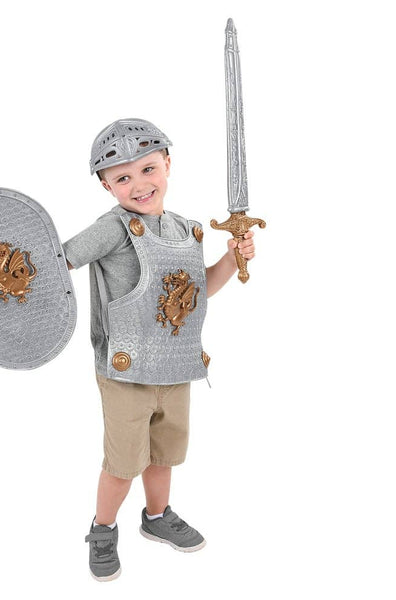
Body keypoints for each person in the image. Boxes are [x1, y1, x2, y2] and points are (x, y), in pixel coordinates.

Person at [62, 118, 256, 581]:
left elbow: (198, 291)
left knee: (163, 454)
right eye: (122, 178)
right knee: (123, 463)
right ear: (107, 187)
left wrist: (233, 259)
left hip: (175, 363)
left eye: (148, 169)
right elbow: (59, 261)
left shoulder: (186, 230)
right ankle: (103, 529)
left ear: (167, 164)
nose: (139, 185)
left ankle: (156, 516)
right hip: (126, 372)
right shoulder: (112, 229)